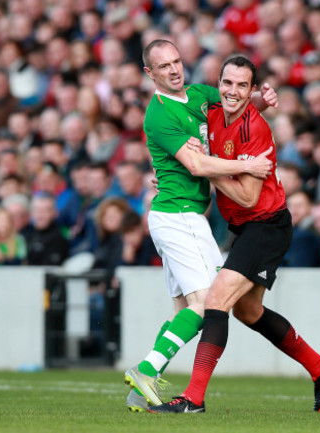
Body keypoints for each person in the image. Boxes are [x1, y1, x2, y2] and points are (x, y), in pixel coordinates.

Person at [149, 56, 320, 414]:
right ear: (218, 84)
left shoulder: (256, 129)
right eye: (227, 83)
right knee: (249, 312)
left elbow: (248, 196)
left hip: (267, 226)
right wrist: (184, 173)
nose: (232, 91)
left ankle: (193, 399)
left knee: (215, 300)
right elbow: (189, 157)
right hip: (247, 228)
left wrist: (204, 170)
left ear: (252, 89)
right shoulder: (211, 115)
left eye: (242, 85)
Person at [123, 40, 277, 412]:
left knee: (183, 311)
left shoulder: (199, 94)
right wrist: (248, 166)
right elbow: (198, 165)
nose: (174, 70)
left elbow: (234, 109)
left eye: (177, 61)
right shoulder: (158, 116)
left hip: (178, 216)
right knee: (208, 301)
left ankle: (141, 387)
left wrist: (261, 99)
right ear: (150, 74)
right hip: (179, 216)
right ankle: (147, 369)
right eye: (164, 66)